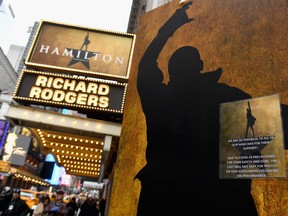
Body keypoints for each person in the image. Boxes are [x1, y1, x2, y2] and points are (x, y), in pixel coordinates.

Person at [136, 1, 257, 216]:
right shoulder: (223, 95)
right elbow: (266, 119)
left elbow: (145, 67)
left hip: (163, 199)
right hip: (215, 199)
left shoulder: (159, 99)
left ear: (171, 71)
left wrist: (169, 29)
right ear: (200, 65)